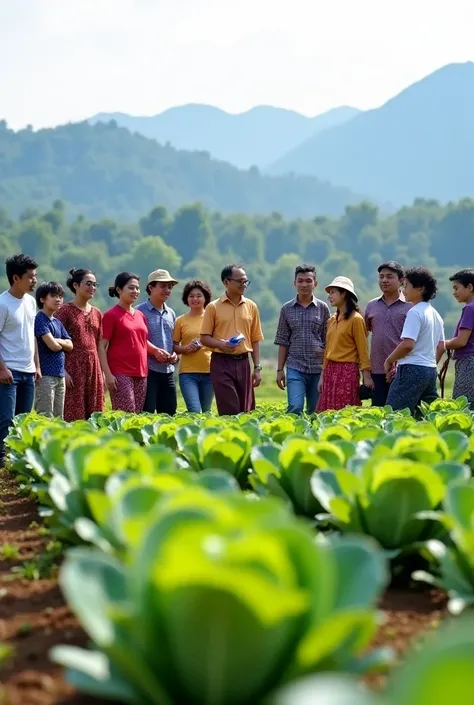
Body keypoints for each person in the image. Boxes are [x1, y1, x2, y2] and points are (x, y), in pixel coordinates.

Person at [200, 264, 263, 415]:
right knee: (229, 407)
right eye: (240, 281)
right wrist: (221, 344)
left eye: (246, 281)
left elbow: (255, 339)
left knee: (246, 409)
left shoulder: (251, 306)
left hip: (243, 362)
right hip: (221, 362)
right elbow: (204, 338)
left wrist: (257, 367)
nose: (244, 285)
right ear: (226, 282)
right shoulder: (213, 307)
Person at [100, 272, 164, 413]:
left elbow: (141, 341)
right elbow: (102, 346)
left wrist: (156, 351)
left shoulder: (140, 315)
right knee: (125, 414)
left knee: (136, 415)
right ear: (119, 290)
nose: (135, 291)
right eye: (131, 288)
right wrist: (108, 374)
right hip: (120, 373)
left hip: (141, 373)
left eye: (137, 288)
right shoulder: (111, 315)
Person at [385, 267, 445, 415]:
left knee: (394, 414)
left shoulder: (414, 312)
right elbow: (441, 346)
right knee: (424, 416)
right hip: (430, 370)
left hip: (411, 369)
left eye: (406, 286)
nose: (403, 290)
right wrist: (429, 365)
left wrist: (389, 360)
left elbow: (408, 344)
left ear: (420, 289)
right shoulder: (435, 314)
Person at [0, 254, 40, 466]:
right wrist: (2, 369)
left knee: (23, 420)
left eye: (35, 276)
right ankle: (2, 460)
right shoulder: (2, 303)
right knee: (6, 420)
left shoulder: (31, 302)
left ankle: (16, 460)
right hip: (9, 372)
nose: (35, 280)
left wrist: (37, 365)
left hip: (28, 370)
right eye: (31, 276)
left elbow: (31, 334)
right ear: (16, 278)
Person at [274, 264, 330, 414]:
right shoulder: (286, 309)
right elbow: (283, 341)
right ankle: (292, 435)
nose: (304, 284)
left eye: (308, 281)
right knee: (295, 406)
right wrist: (280, 369)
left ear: (315, 283)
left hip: (317, 368)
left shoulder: (323, 308)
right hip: (295, 366)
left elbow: (328, 340)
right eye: (300, 281)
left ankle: (313, 437)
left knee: (316, 411)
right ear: (295, 284)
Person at [317, 276, 373, 412]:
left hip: (347, 371)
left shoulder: (356, 319)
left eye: (333, 292)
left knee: (345, 409)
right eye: (329, 293)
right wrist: (322, 376)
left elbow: (363, 349)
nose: (329, 296)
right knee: (327, 411)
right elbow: (327, 350)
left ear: (344, 293)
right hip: (330, 370)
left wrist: (366, 376)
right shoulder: (331, 320)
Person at [56, 268, 104, 421]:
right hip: (72, 368)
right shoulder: (64, 311)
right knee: (73, 415)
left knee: (95, 415)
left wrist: (102, 373)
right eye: (88, 283)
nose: (92, 288)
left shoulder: (97, 313)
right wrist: (62, 371)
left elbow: (100, 345)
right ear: (76, 285)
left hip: (94, 368)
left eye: (95, 284)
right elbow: (53, 344)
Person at [364, 261, 412, 406]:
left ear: (401, 280)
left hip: (401, 369)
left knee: (400, 413)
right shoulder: (372, 305)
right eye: (381, 277)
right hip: (377, 369)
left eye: (390, 276)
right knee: (377, 412)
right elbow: (367, 331)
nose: (384, 280)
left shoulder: (410, 306)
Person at [137, 269, 179, 416]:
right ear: (151, 287)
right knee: (146, 412)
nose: (167, 290)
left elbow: (173, 340)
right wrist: (154, 351)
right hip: (148, 370)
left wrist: (175, 354)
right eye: (163, 286)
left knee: (169, 413)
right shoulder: (139, 312)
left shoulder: (171, 313)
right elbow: (138, 339)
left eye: (170, 287)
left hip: (168, 371)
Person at [173, 280, 214, 413]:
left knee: (206, 411)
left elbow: (219, 342)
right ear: (186, 298)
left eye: (198, 296)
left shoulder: (212, 318)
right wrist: (185, 349)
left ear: (205, 298)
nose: (195, 299)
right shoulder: (180, 320)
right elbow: (174, 346)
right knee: (194, 410)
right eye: (191, 296)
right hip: (188, 373)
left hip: (210, 372)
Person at [34, 281, 73, 418]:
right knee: (45, 415)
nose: (58, 299)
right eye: (54, 296)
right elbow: (53, 346)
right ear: (42, 299)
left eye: (60, 296)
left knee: (58, 417)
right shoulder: (40, 318)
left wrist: (56, 340)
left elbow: (70, 345)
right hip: (45, 375)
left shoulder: (57, 321)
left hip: (59, 375)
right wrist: (60, 342)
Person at [443, 269, 474, 408]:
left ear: (470, 287)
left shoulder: (469, 309)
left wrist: (444, 344)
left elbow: (461, 341)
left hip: (468, 363)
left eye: (456, 288)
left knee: (463, 407)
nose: (454, 292)